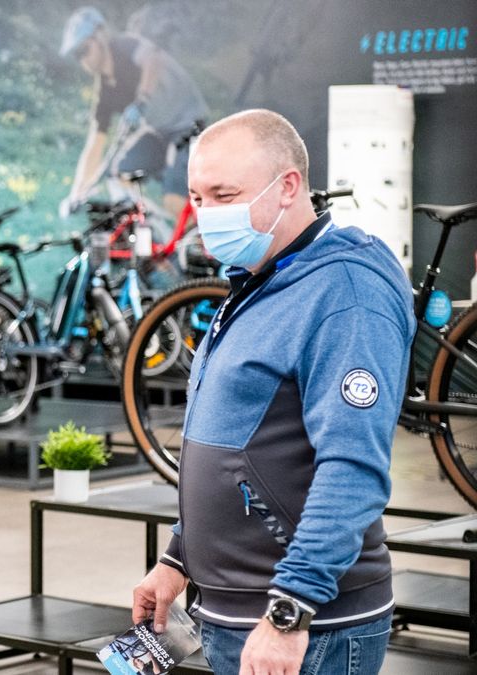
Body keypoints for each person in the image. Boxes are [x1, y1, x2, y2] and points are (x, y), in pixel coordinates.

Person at [130, 109, 414, 674]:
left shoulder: (345, 291)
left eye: (223, 193)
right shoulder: (258, 279)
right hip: (232, 614)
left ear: (287, 187)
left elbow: (353, 469)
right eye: (197, 197)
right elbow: (235, 446)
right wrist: (177, 559)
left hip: (309, 631)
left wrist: (291, 612)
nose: (206, 214)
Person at [57, 6, 209, 221]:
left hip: (188, 124)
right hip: (158, 132)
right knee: (119, 174)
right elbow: (95, 144)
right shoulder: (105, 90)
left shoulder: (126, 47)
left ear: (100, 35)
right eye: (77, 55)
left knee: (174, 201)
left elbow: (153, 59)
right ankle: (154, 232)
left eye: (85, 50)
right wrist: (76, 194)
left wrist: (142, 99)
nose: (84, 60)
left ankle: (201, 249)